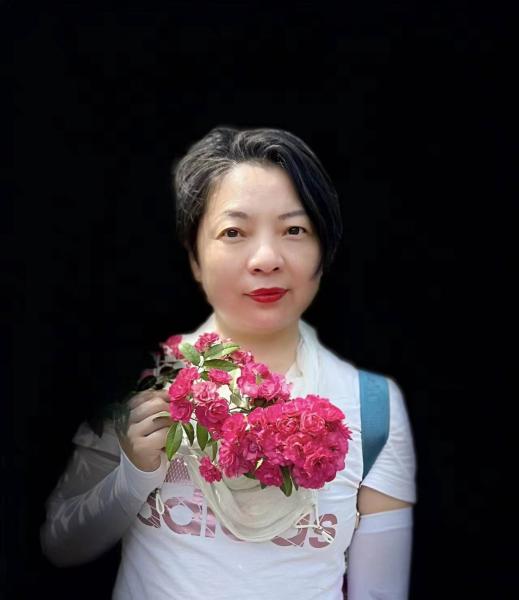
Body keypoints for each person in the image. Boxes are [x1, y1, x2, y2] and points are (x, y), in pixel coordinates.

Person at [40, 126, 417, 599]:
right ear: (195, 257)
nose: (266, 258)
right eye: (233, 232)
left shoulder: (373, 406)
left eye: (294, 230)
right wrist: (133, 474)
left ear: (324, 251)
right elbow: (62, 545)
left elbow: (379, 593)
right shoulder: (145, 381)